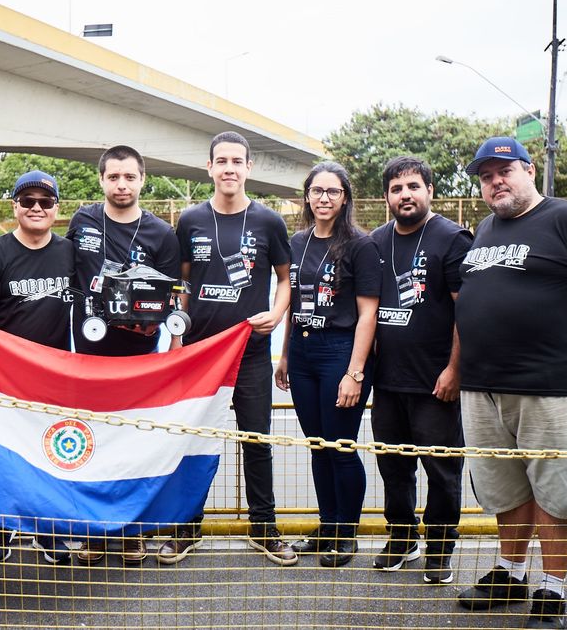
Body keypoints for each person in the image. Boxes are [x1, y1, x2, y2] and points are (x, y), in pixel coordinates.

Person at [454, 137, 567, 628]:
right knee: (507, 489)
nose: (495, 182)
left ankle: (551, 587)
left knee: (558, 491)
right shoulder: (488, 228)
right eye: (486, 176)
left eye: (504, 171)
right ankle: (510, 572)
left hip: (552, 385)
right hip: (485, 387)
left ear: (529, 170)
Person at [159, 131, 296, 566]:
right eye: (222, 161)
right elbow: (181, 284)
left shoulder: (269, 222)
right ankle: (186, 528)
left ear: (248, 168)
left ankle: (265, 529)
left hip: (251, 352)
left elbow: (286, 279)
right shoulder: (191, 220)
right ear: (210, 168)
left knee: (256, 442)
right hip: (201, 354)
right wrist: (177, 336)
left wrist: (276, 314)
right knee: (194, 442)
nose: (230, 169)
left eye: (238, 161)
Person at [65, 145, 180, 566]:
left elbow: (171, 302)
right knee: (92, 443)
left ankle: (133, 531)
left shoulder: (161, 234)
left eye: (129, 177)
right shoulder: (84, 221)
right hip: (89, 355)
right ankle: (96, 531)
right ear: (102, 180)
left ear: (142, 179)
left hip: (139, 359)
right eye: (113, 177)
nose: (121, 185)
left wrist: (171, 350)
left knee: (134, 444)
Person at [368, 156, 472, 584]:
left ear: (430, 189)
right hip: (388, 380)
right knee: (393, 466)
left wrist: (454, 370)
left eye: (413, 186)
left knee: (442, 470)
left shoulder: (451, 239)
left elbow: (466, 313)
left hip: (435, 381)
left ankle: (440, 548)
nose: (405, 195)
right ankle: (401, 538)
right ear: (387, 197)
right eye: (396, 189)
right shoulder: (376, 241)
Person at [0, 169, 75, 564]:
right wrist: (4, 364)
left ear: (56, 210)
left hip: (54, 375)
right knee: (4, 454)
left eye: (45, 202)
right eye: (27, 201)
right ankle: (2, 527)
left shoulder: (69, 251)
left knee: (50, 453)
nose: (36, 208)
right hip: (7, 374)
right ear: (15, 207)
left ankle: (48, 530)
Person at [274, 161, 379, 568]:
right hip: (302, 352)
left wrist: (355, 372)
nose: (323, 198)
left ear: (345, 198)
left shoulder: (360, 244)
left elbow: (368, 314)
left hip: (340, 350)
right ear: (306, 195)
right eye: (317, 191)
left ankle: (346, 532)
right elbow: (292, 304)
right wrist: (285, 355)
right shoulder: (296, 242)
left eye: (333, 192)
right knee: (318, 447)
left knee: (340, 447)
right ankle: (328, 526)